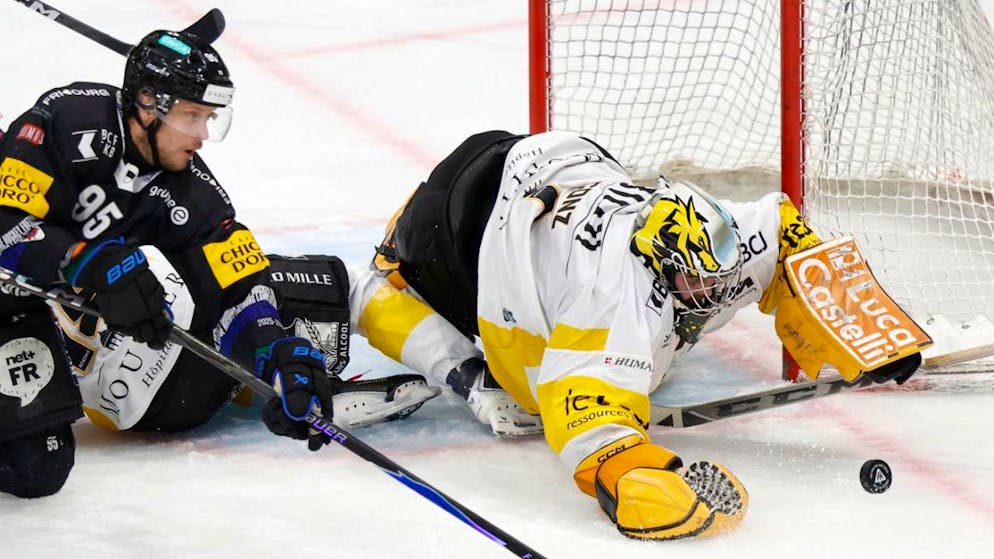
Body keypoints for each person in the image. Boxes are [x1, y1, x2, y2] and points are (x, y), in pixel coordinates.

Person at [371, 130, 929, 540]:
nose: (713, 292)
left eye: (718, 278)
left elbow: (786, 235)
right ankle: (470, 377)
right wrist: (636, 476)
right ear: (659, 267)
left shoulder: (715, 240)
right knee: (502, 381)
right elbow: (581, 411)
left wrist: (858, 329)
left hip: (548, 160)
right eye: (696, 284)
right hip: (458, 231)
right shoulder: (611, 297)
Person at [0, 29, 335, 498]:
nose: (203, 135)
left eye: (209, 118)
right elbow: (6, 226)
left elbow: (235, 285)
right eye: (192, 116)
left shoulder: (188, 188)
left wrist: (277, 354)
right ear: (147, 104)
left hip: (17, 308)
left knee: (38, 468)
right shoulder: (67, 120)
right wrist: (86, 262)